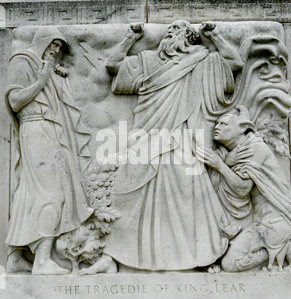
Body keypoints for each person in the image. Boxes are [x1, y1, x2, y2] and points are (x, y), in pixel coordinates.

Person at [79, 20, 244, 274]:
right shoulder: (148, 61)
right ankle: (112, 258)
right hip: (145, 140)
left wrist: (217, 36)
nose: (170, 33)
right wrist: (128, 39)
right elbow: (113, 66)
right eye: (169, 30)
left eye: (176, 30)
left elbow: (234, 65)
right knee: (128, 197)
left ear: (189, 38)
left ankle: (193, 261)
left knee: (185, 203)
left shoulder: (203, 61)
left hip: (180, 143)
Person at [5, 27, 94, 275]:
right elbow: (14, 100)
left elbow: (50, 91)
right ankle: (42, 260)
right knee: (54, 194)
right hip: (35, 128)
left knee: (29, 192)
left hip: (47, 129)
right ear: (42, 40)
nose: (55, 51)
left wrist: (54, 75)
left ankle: (15, 256)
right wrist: (43, 79)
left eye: (59, 47)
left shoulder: (43, 65)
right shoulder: (23, 60)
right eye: (54, 45)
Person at [196, 105, 291, 272]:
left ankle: (276, 247)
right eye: (217, 124)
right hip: (258, 220)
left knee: (230, 264)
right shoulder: (235, 151)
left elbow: (242, 189)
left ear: (242, 128)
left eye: (224, 124)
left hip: (273, 222)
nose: (217, 127)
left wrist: (220, 165)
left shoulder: (254, 148)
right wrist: (225, 162)